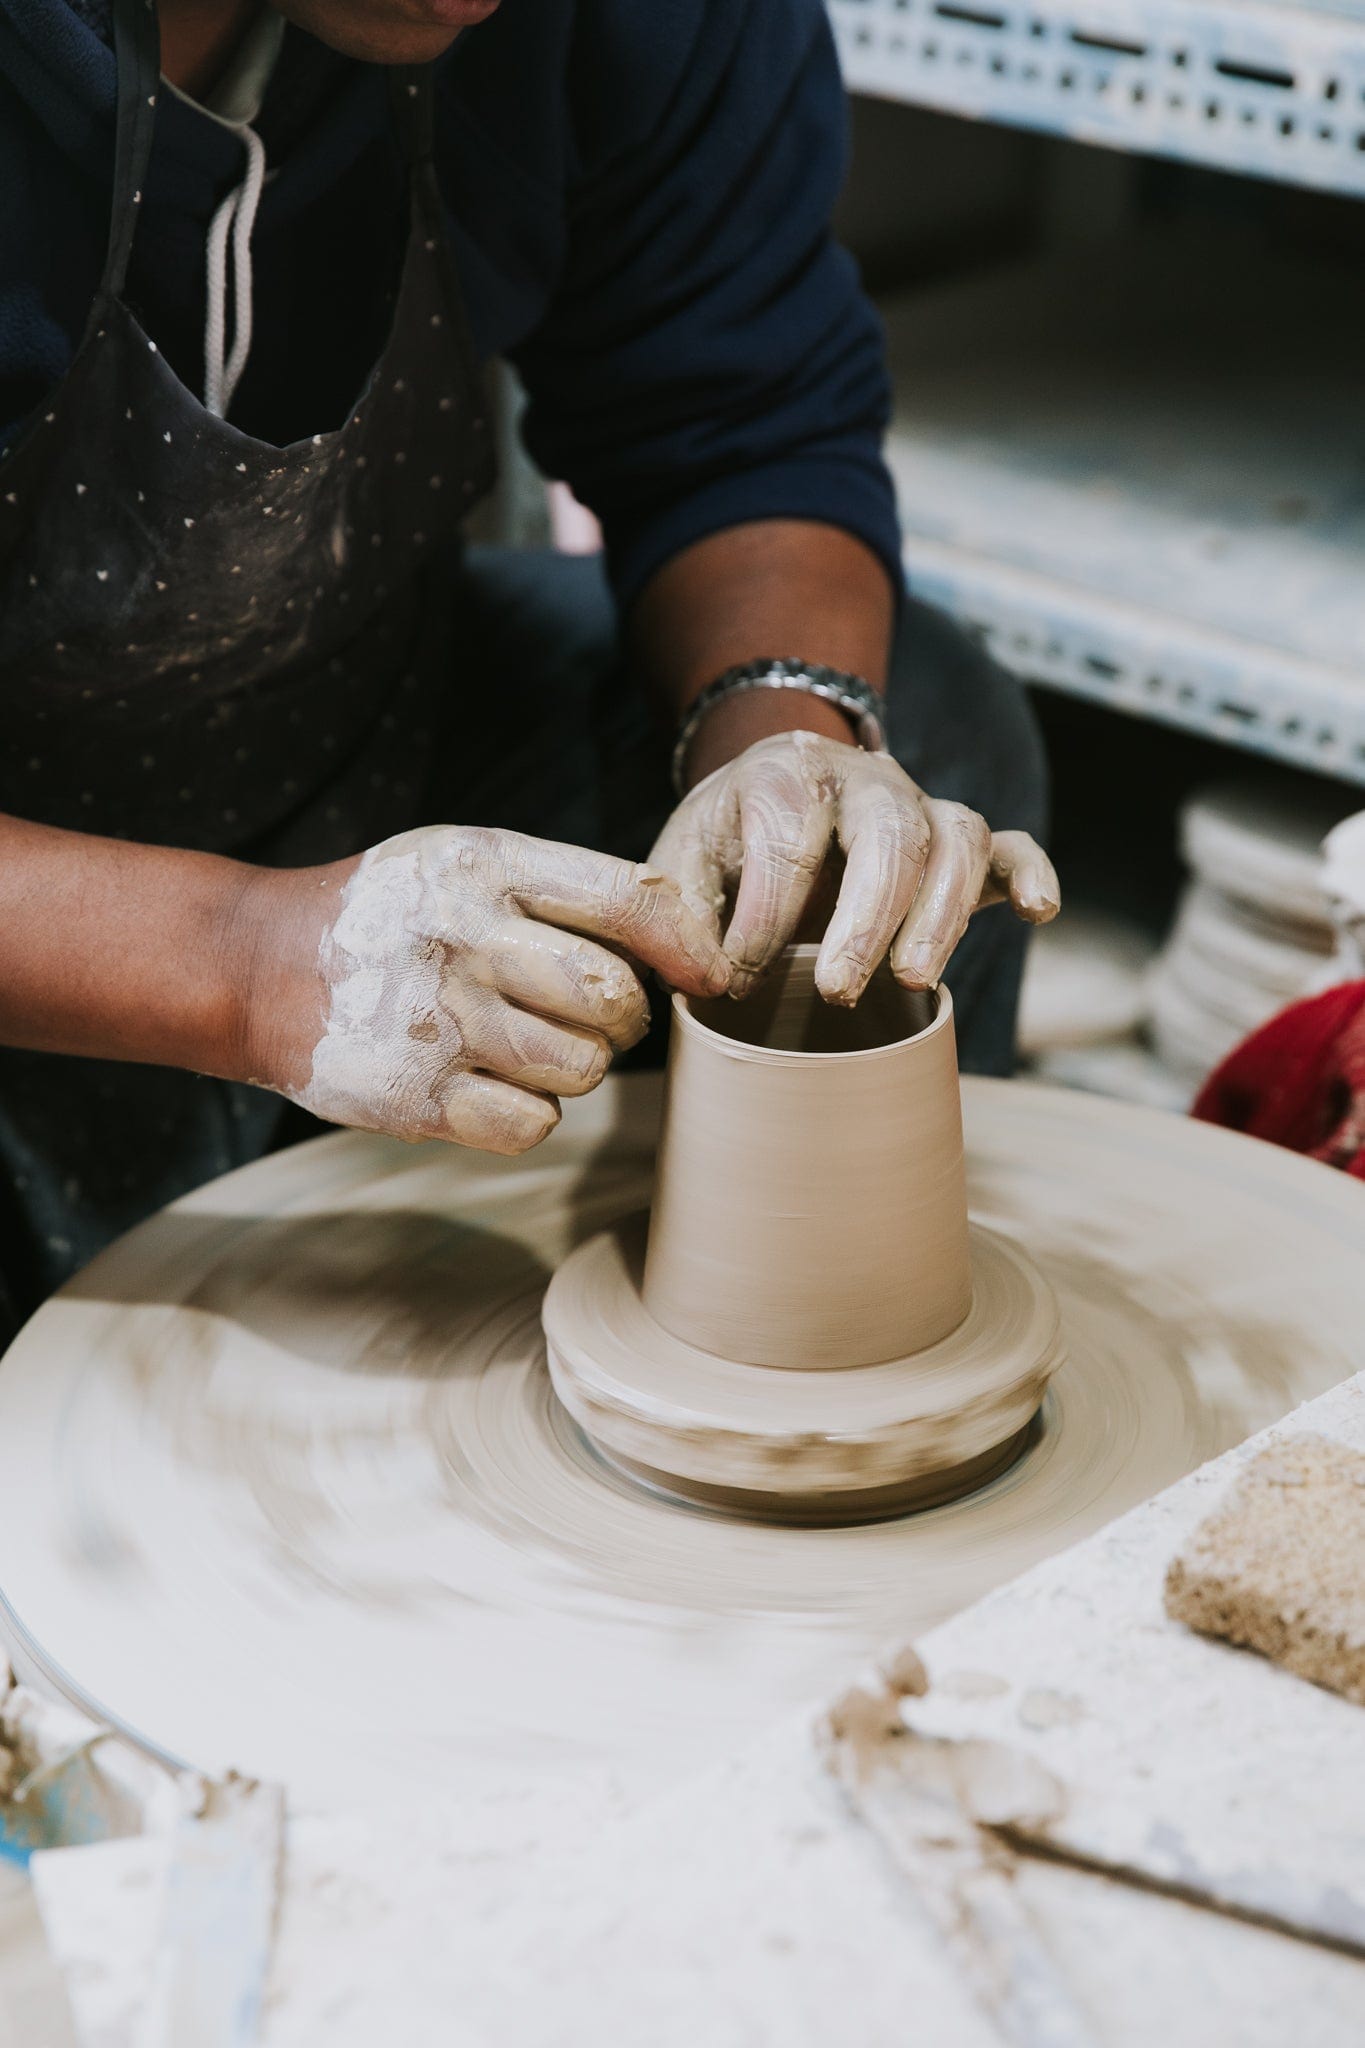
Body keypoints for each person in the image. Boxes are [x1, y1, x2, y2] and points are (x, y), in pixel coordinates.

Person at [0, 0, 1058, 1334]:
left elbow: (737, 419)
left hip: (343, 720)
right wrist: (255, 966)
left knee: (903, 772)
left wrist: (777, 746)